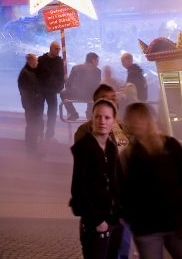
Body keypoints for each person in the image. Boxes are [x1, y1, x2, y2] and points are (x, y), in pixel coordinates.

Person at [119, 102, 182, 259]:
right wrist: (132, 218)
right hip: (146, 229)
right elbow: (123, 192)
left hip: (176, 224)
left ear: (148, 120)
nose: (135, 123)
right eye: (132, 119)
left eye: (139, 118)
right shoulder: (128, 155)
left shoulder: (170, 146)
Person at [70, 99, 129, 259]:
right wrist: (98, 221)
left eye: (107, 117)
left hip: (114, 220)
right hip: (96, 223)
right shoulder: (84, 148)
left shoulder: (111, 148)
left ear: (114, 121)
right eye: (98, 117)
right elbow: (79, 189)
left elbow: (116, 183)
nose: (102, 121)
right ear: (92, 118)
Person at [36, 42, 65, 140]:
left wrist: (60, 88)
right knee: (39, 112)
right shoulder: (41, 60)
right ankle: (39, 131)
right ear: (51, 48)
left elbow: (62, 76)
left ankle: (50, 133)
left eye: (59, 49)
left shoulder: (60, 62)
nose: (58, 50)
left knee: (52, 113)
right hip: (41, 90)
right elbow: (35, 74)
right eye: (56, 48)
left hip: (52, 91)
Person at [64, 52, 102, 120]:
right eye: (97, 61)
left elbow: (68, 84)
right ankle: (89, 114)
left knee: (63, 93)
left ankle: (73, 114)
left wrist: (67, 84)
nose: (98, 63)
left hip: (76, 95)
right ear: (93, 60)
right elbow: (96, 86)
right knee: (95, 94)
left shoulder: (75, 68)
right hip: (90, 97)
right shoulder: (97, 71)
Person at [18, 54, 43, 155]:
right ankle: (31, 151)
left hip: (32, 105)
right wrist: (35, 100)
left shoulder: (28, 72)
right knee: (32, 127)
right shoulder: (26, 74)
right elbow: (27, 92)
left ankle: (33, 149)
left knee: (33, 127)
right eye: (36, 61)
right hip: (31, 106)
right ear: (31, 61)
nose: (37, 62)